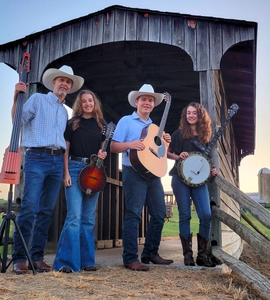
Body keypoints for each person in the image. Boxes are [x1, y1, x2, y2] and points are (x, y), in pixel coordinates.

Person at [12, 65, 84, 274]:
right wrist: (16, 96)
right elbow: (18, 120)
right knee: (29, 208)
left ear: (70, 88)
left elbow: (63, 142)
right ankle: (19, 258)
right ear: (54, 82)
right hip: (36, 158)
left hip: (55, 163)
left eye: (68, 82)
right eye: (61, 80)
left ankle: (37, 257)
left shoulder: (64, 112)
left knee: (46, 212)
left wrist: (64, 170)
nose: (64, 84)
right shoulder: (38, 100)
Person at [110, 84, 173, 271]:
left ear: (154, 105)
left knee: (160, 213)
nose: (147, 102)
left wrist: (166, 143)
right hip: (133, 172)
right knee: (134, 214)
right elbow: (114, 146)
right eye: (143, 99)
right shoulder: (126, 121)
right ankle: (130, 258)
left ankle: (150, 253)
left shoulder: (155, 128)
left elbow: (159, 153)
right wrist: (131, 144)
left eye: (150, 100)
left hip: (152, 174)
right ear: (136, 101)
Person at [53, 89, 107, 273]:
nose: (87, 104)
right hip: (75, 169)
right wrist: (65, 173)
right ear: (80, 104)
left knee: (88, 219)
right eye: (84, 101)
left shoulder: (101, 126)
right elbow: (65, 150)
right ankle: (66, 263)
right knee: (74, 217)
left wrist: (103, 155)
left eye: (90, 100)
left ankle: (87, 261)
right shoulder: (72, 124)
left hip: (94, 171)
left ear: (94, 102)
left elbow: (102, 152)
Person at [167, 102, 217, 267]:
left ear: (200, 115)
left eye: (194, 113)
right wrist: (178, 156)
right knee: (185, 215)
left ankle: (202, 255)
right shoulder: (178, 134)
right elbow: (165, 152)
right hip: (180, 179)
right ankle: (187, 255)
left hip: (199, 182)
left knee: (206, 215)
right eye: (188, 113)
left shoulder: (206, 137)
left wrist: (212, 169)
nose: (190, 116)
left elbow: (207, 160)